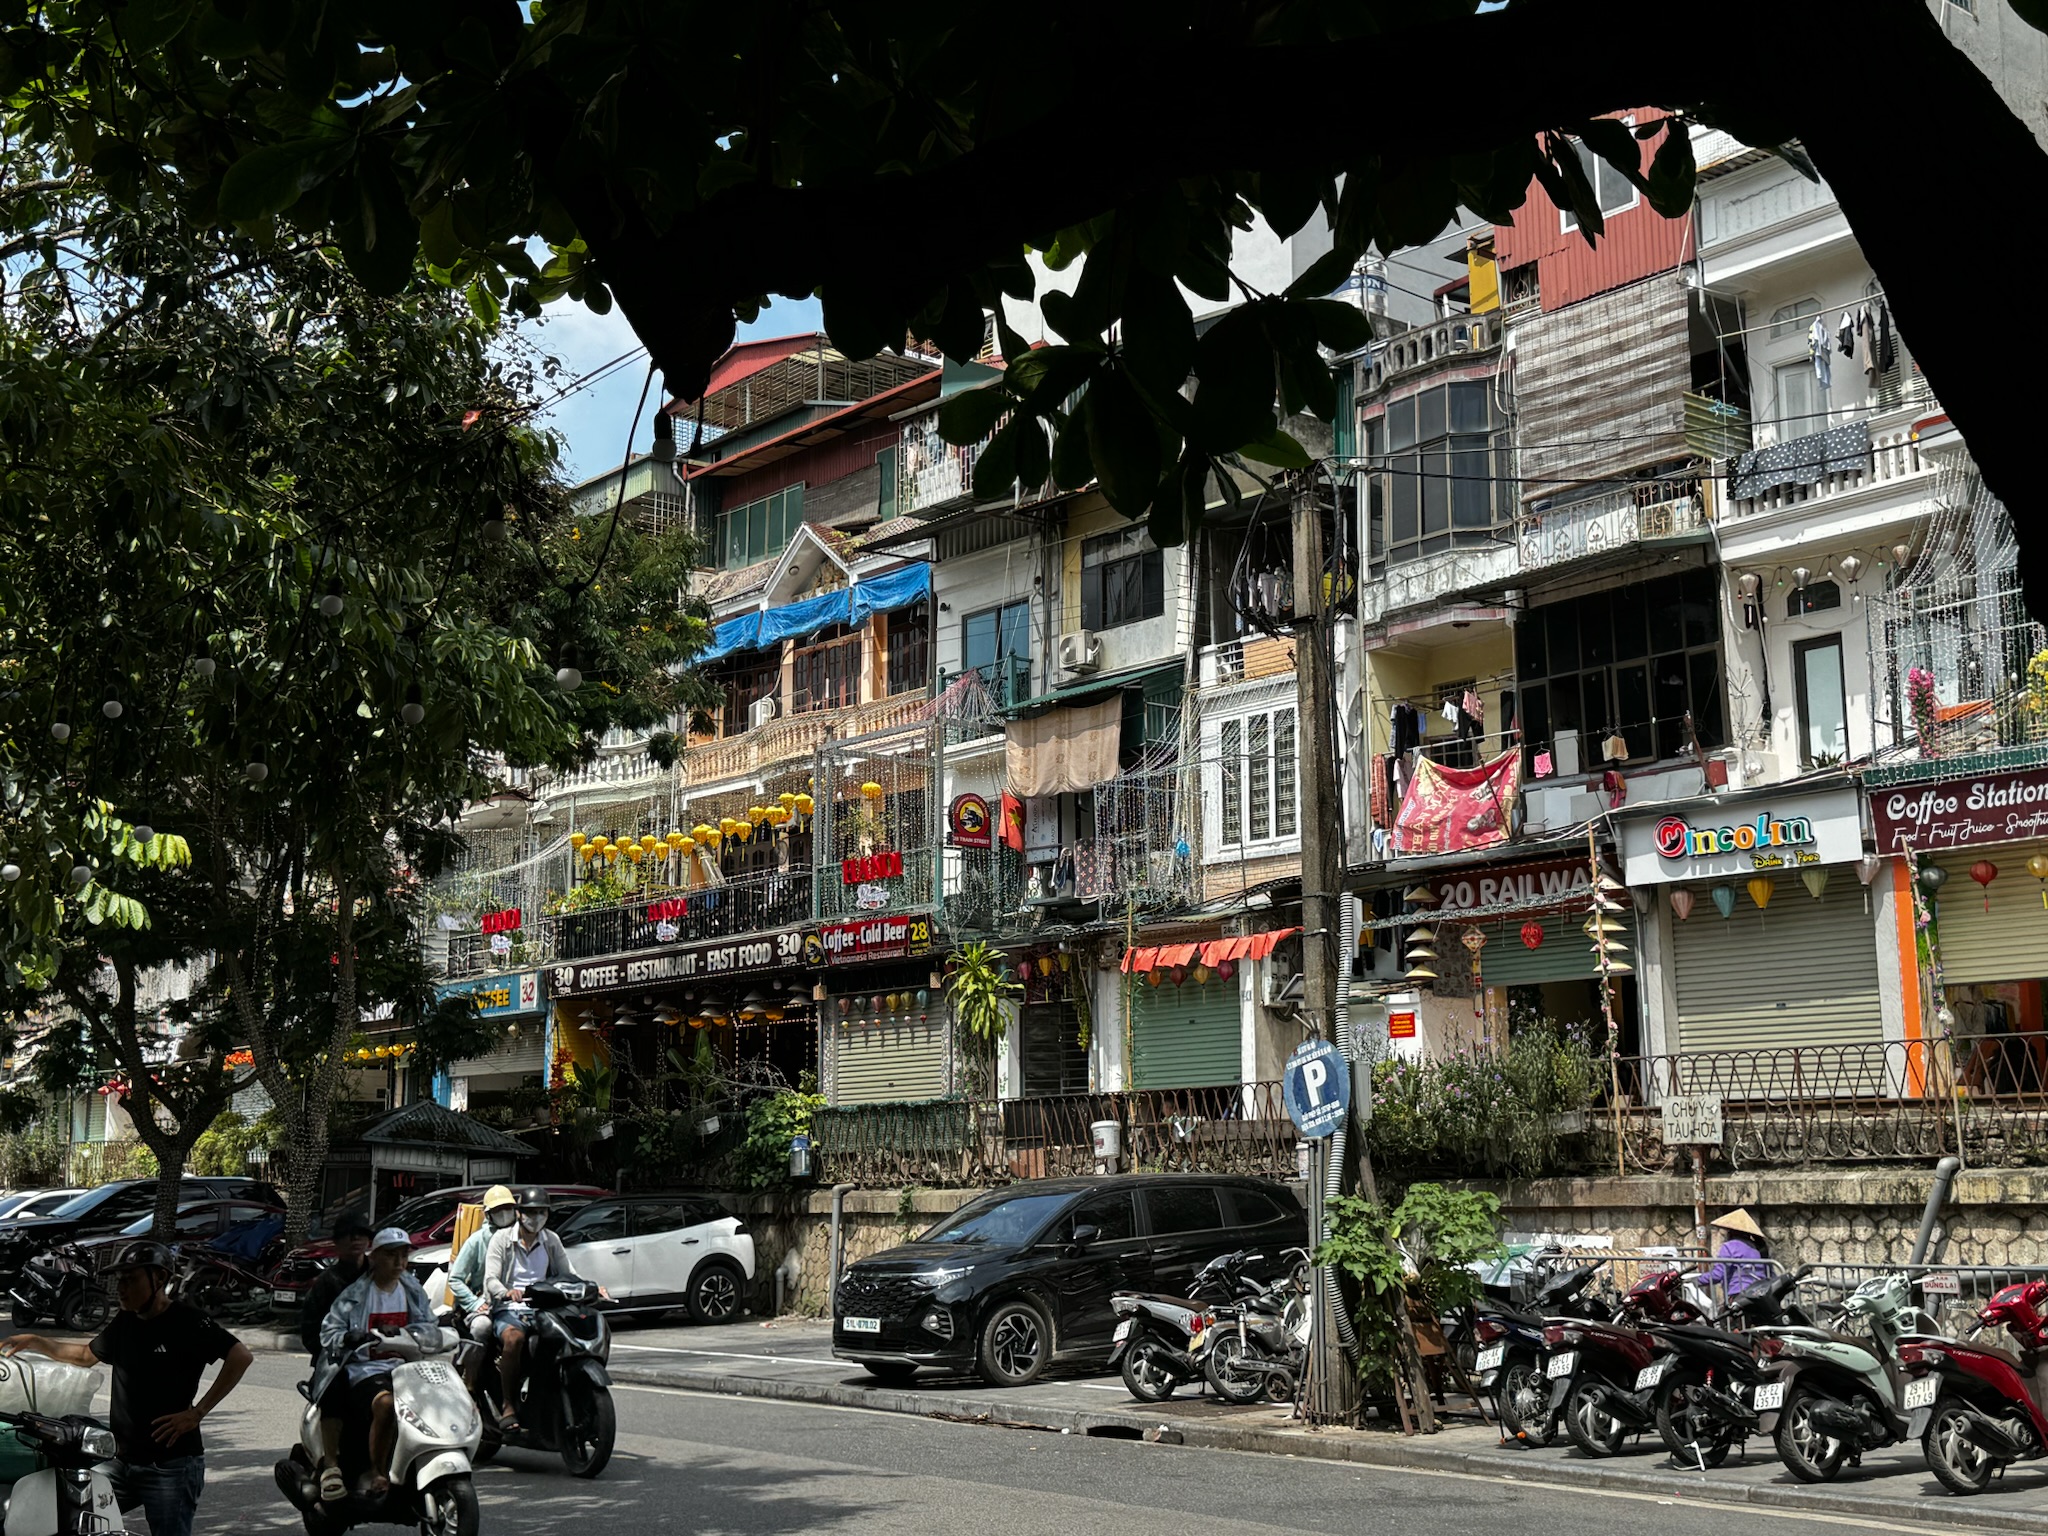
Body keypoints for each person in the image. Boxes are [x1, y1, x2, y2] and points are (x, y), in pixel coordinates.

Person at [1, 1239, 253, 1536]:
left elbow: (240, 1356)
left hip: (169, 1465)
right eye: (119, 1280)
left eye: (130, 1280)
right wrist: (37, 1341)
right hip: (121, 1461)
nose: (121, 1288)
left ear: (159, 1278)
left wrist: (197, 1413)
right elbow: (85, 1356)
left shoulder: (188, 1321)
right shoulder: (126, 1321)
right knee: (74, 1517)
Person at [316, 1227, 440, 1500]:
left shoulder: (412, 1290)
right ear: (375, 1257)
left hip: (408, 1370)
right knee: (385, 1404)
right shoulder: (356, 1294)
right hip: (365, 1371)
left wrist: (418, 1333)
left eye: (403, 1256)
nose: (399, 1263)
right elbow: (329, 1331)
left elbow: (429, 1326)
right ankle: (376, 1472)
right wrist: (348, 1337)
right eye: (391, 1255)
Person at [483, 1186, 604, 1427]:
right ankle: (508, 1405)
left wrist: (593, 1287)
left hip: (544, 1311)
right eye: (531, 1212)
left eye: (542, 1212)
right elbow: (490, 1279)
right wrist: (507, 1292)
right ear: (519, 1213)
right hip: (511, 1310)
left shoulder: (551, 1240)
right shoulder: (501, 1239)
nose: (536, 1217)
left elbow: (568, 1273)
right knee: (514, 1339)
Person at [447, 1185, 518, 1389]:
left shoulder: (522, 1237)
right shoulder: (477, 1241)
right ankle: (470, 1376)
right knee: (482, 1327)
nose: (504, 1214)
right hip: (484, 1303)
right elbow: (455, 1279)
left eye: (507, 1208)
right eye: (498, 1210)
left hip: (515, 1302)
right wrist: (474, 1303)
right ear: (488, 1214)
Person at [302, 1211, 374, 1361]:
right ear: (336, 1242)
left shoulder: (380, 1276)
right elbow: (310, 1333)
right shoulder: (325, 1283)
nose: (355, 1239)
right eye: (348, 1234)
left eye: (361, 1234)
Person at [1701, 1208, 1772, 1297]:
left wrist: (1696, 1280)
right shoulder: (1757, 1247)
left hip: (1739, 1294)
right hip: (1761, 1293)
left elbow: (1717, 1275)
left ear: (1731, 1232)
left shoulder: (1730, 1246)